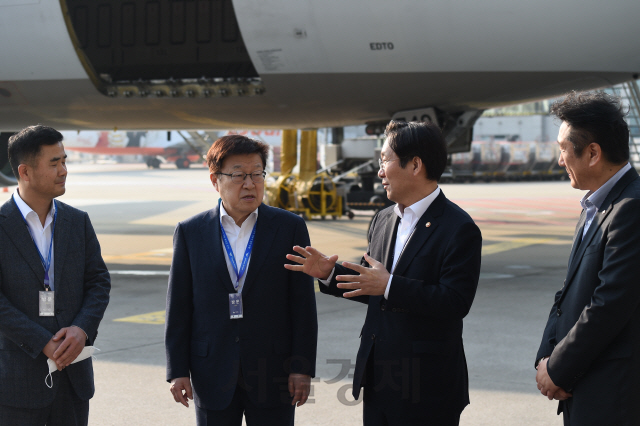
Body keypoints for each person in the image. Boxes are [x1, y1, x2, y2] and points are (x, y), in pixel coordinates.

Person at [285, 121, 482, 425]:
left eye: (385, 161)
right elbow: (372, 287)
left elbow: (455, 302)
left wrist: (390, 284)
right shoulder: (383, 219)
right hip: (380, 377)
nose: (379, 172)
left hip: (428, 384)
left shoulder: (458, 228)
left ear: (415, 165)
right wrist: (329, 273)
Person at [165, 134, 318, 426]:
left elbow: (302, 305)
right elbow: (179, 307)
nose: (250, 184)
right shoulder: (190, 232)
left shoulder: (289, 228)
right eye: (238, 175)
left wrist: (302, 367)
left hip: (273, 371)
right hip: (211, 370)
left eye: (257, 174)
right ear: (215, 179)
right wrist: (177, 369)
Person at [535, 91, 640, 425]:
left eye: (563, 149)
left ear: (593, 152)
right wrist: (546, 358)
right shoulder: (596, 206)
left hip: (610, 393)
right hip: (580, 381)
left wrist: (559, 367)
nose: (559, 160)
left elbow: (610, 303)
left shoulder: (631, 208)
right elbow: (567, 294)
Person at [0, 125, 111, 426]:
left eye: (65, 161)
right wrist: (42, 341)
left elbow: (99, 282)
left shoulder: (78, 222)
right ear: (25, 172)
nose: (64, 170)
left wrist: (81, 329)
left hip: (73, 379)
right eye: (54, 163)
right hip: (17, 385)